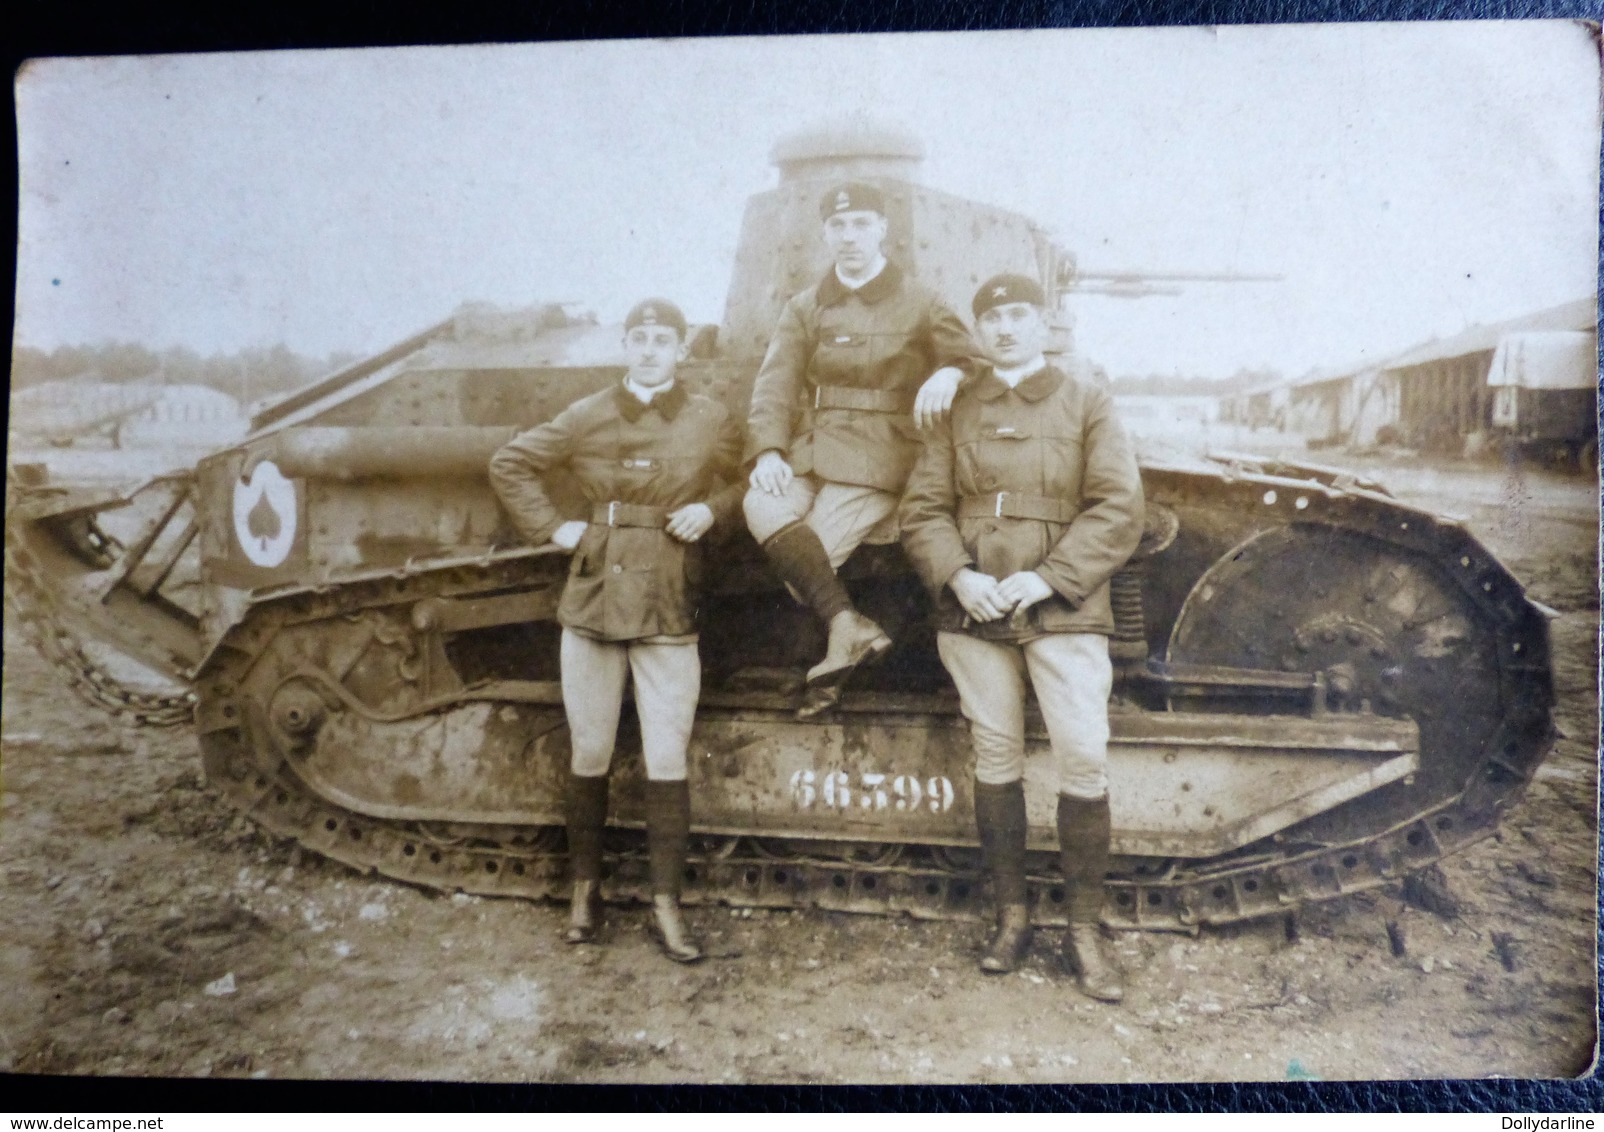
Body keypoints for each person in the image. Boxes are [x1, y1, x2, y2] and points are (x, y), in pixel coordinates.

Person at [898, 274, 1144, 1001]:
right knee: (996, 754)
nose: (1004, 328)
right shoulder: (954, 407)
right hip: (976, 607)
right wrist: (959, 577)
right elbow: (922, 509)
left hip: (1060, 605)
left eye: (1017, 316)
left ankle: (1084, 932)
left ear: (1043, 323)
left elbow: (1118, 506)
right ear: (978, 330)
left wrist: (1047, 579)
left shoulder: (1086, 398)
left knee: (1083, 758)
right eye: (992, 318)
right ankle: (1013, 918)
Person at [489, 298, 742, 963]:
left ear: (682, 348)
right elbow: (510, 463)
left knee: (666, 756)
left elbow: (746, 479)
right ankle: (585, 889)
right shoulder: (588, 413)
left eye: (665, 339)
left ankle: (665, 903)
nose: (653, 349)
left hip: (667, 597)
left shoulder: (709, 416)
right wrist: (554, 528)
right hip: (595, 598)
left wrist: (711, 511)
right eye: (641, 338)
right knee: (590, 750)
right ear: (626, 346)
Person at [744, 180, 983, 718]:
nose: (849, 237)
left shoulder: (921, 300)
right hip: (811, 447)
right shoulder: (806, 306)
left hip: (882, 454)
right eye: (838, 227)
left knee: (808, 569)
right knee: (760, 504)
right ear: (825, 234)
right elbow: (775, 383)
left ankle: (845, 633)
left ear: (882, 230)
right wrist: (768, 453)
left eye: (860, 225)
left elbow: (972, 360)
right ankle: (849, 629)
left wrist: (948, 370)